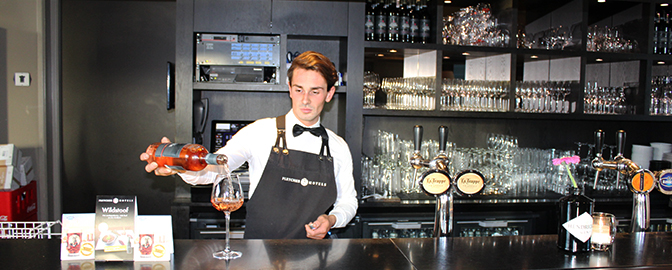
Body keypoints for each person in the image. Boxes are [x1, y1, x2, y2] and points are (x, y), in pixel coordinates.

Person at [141, 51, 358, 239]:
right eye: (299, 89)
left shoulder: (338, 147)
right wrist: (180, 165)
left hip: (313, 258)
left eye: (315, 91)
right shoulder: (259, 132)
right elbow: (215, 170)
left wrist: (331, 220)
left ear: (329, 94)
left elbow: (348, 202)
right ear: (289, 89)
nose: (305, 100)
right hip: (259, 255)